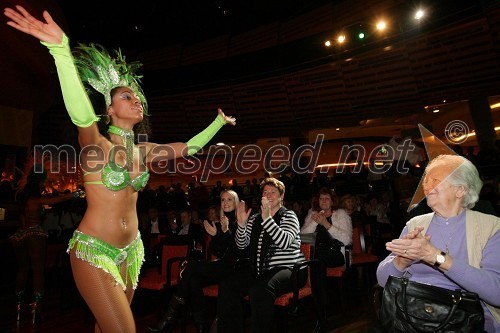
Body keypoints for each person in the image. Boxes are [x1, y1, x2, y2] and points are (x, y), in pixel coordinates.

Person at [3, 6, 236, 332]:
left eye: (138, 96)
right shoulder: (96, 143)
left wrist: (217, 122)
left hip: (131, 251)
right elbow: (81, 114)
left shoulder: (144, 151)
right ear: (109, 110)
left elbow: (190, 148)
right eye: (127, 96)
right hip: (93, 252)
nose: (136, 99)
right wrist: (60, 52)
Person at [376, 154, 500, 333]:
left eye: (436, 180)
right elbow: (382, 280)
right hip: (412, 315)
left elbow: (496, 292)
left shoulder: (491, 227)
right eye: (426, 180)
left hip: (465, 320)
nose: (426, 186)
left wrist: (435, 257)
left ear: (460, 190)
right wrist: (401, 261)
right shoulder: (415, 225)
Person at [147, 190, 245, 333]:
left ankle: (169, 318)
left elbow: (239, 249)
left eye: (229, 200)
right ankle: (201, 326)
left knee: (191, 266)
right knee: (193, 281)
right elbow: (216, 250)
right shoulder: (219, 223)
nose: (225, 203)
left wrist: (225, 232)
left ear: (235, 202)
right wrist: (217, 234)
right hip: (222, 264)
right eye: (223, 200)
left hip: (236, 267)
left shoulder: (241, 220)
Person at [216, 178, 305, 333]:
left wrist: (267, 220)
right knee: (227, 285)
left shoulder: (289, 216)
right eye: (265, 192)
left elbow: (284, 242)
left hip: (289, 270)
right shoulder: (255, 218)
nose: (268, 195)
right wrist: (242, 226)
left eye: (273, 192)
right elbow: (241, 244)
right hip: (260, 270)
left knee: (259, 290)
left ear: (281, 197)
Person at [10, 166, 79, 323]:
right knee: (38, 272)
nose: (44, 185)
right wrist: (72, 195)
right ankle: (36, 311)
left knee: (22, 271)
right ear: (38, 182)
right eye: (43, 182)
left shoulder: (21, 199)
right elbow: (57, 200)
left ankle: (19, 310)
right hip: (34, 234)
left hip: (18, 236)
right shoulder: (35, 200)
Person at [300, 187, 352, 331]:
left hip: (335, 253)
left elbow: (347, 240)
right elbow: (303, 237)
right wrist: (316, 221)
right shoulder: (312, 214)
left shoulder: (341, 214)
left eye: (327, 198)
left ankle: (321, 310)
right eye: (321, 198)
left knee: (317, 259)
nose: (323, 201)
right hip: (316, 254)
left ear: (332, 201)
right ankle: (319, 309)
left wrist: (326, 224)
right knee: (315, 260)